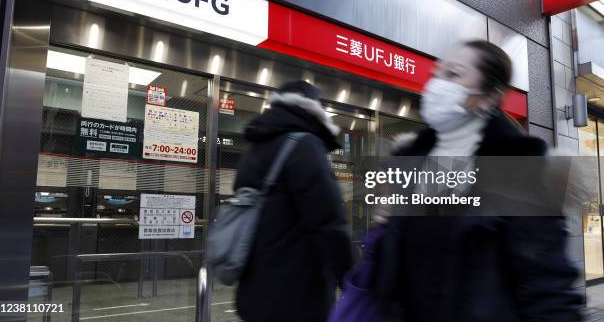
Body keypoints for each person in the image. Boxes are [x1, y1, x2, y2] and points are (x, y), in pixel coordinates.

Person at [376, 40, 583, 321]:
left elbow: (547, 290)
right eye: (437, 74)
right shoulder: (413, 162)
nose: (437, 84)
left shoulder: (520, 169)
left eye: (454, 74)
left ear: (488, 97)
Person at [234, 80, 353, 322]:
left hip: (254, 290)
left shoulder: (255, 149)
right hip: (297, 296)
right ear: (314, 111)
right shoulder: (305, 145)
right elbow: (329, 222)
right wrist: (352, 280)